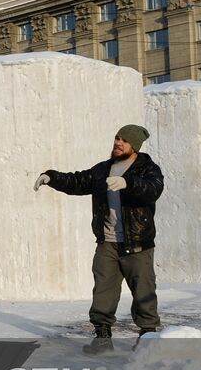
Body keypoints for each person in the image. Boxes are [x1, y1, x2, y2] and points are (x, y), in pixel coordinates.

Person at [34, 125, 165, 354]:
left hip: (137, 244)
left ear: (134, 146)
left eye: (124, 140)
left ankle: (149, 339)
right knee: (103, 291)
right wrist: (51, 177)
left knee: (143, 291)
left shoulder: (147, 169)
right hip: (108, 242)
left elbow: (152, 189)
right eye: (117, 138)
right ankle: (102, 338)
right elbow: (78, 181)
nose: (118, 143)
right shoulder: (103, 169)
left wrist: (128, 183)